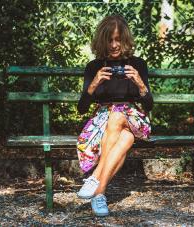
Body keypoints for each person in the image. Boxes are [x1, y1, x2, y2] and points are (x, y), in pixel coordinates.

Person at [76, 15, 153, 217]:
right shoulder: (94, 67)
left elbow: (149, 105)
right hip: (104, 120)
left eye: (118, 39)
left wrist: (140, 83)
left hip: (133, 116)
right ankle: (100, 195)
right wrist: (93, 84)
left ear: (125, 40)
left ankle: (94, 178)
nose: (114, 45)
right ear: (102, 41)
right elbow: (82, 108)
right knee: (126, 137)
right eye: (109, 40)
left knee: (117, 116)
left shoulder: (138, 64)